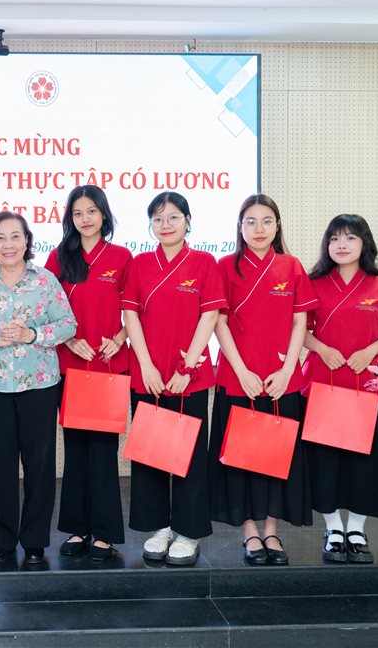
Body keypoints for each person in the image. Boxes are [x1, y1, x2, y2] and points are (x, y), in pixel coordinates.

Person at [0, 211, 77, 565]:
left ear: (27, 241)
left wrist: (32, 334)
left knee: (39, 464)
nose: (8, 244)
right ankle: (2, 539)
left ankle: (35, 540)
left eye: (15, 237)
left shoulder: (45, 281)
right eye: (0, 238)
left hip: (39, 385)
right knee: (0, 464)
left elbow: (68, 324)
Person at [210, 193, 318, 566]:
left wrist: (288, 371)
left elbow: (300, 322)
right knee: (240, 458)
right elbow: (219, 322)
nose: (259, 229)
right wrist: (242, 371)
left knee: (276, 456)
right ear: (240, 227)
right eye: (251, 221)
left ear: (277, 226)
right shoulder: (225, 266)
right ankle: (250, 532)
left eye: (266, 221)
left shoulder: (291, 266)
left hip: (280, 379)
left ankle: (271, 529)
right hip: (238, 377)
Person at [121, 191, 224, 565]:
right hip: (148, 374)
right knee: (150, 453)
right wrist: (146, 366)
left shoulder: (204, 262)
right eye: (158, 219)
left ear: (188, 221)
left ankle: (188, 531)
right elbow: (130, 316)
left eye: (173, 217)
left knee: (190, 455)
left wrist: (187, 367)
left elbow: (209, 316)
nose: (165, 225)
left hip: (188, 376)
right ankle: (159, 528)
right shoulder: (139, 264)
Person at [302, 215, 378, 564]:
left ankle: (357, 529)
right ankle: (333, 528)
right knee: (326, 463)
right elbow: (299, 331)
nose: (342, 245)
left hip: (369, 386)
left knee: (365, 463)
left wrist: (370, 350)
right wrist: (321, 349)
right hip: (325, 384)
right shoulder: (314, 283)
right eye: (334, 238)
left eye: (350, 238)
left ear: (365, 243)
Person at [45, 186, 131, 561]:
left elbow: (135, 310)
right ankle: (78, 528)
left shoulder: (122, 257)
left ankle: (105, 532)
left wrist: (121, 337)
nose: (85, 219)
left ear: (104, 214)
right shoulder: (59, 257)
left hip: (110, 366)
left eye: (92, 211)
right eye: (78, 213)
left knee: (104, 453)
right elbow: (45, 311)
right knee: (77, 450)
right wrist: (69, 339)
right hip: (72, 366)